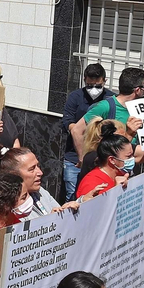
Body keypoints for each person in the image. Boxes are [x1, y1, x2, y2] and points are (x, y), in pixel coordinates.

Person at [57, 64, 111, 201]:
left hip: (101, 158)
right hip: (74, 158)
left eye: (98, 86)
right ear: (84, 80)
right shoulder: (75, 97)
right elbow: (67, 121)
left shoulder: (110, 99)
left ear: (104, 81)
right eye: (89, 85)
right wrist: (79, 131)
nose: (94, 90)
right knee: (72, 195)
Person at [75, 132, 134, 199]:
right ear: (112, 160)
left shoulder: (122, 174)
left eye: (132, 155)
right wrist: (116, 191)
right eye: (128, 156)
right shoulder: (92, 184)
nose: (132, 159)